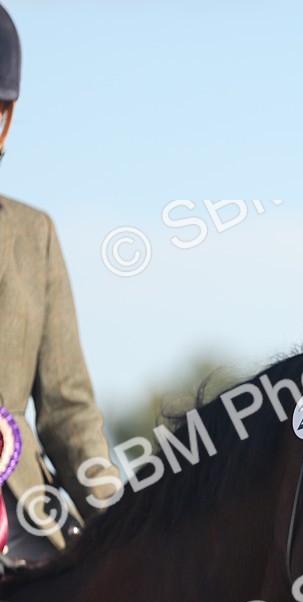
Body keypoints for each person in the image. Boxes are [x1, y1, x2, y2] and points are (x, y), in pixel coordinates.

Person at [0, 3, 118, 562]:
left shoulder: (33, 236)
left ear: (8, 116)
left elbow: (67, 409)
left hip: (18, 518)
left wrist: (124, 524)